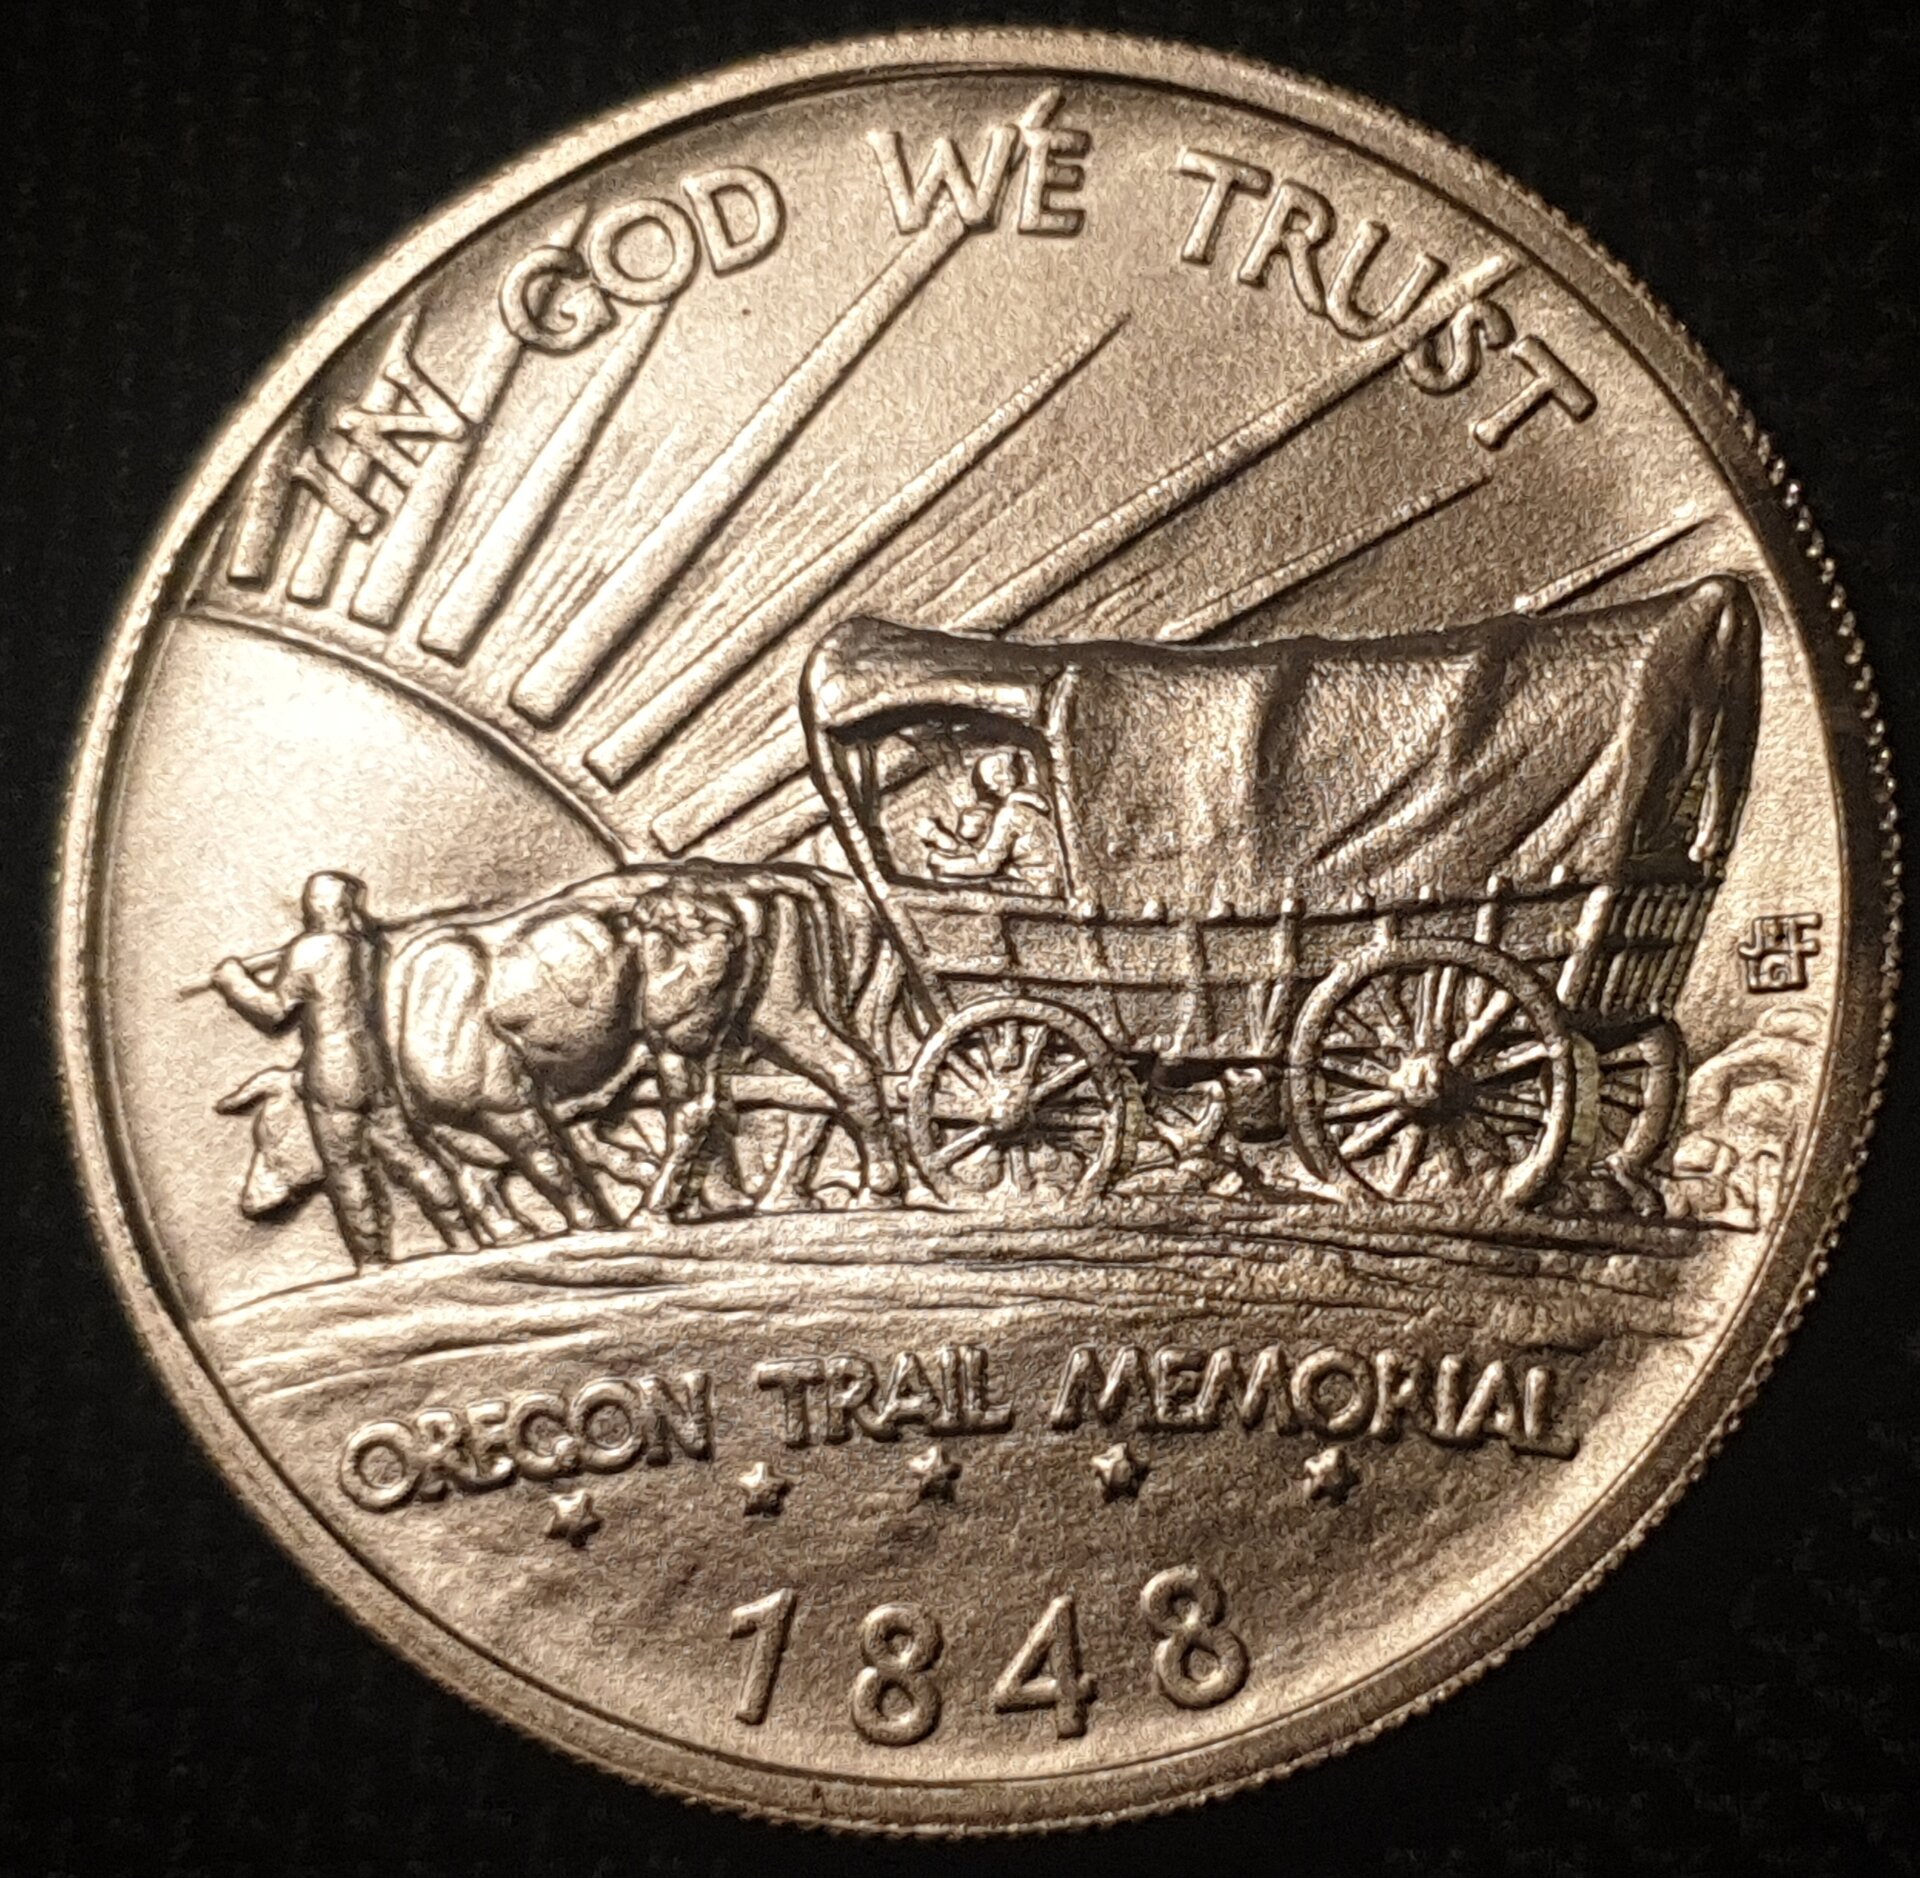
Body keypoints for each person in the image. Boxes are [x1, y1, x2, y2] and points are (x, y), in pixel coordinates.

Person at [213, 871, 475, 1269]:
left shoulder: (310, 949)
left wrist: (233, 981)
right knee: (411, 1157)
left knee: (348, 1170)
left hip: (332, 1073)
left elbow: (275, 1012)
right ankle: (463, 1238)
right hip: (374, 1071)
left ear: (317, 906)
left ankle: (372, 1261)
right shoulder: (369, 947)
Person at [924, 750, 1062, 895]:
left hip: (1037, 886)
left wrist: (944, 863)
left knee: (961, 889)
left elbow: (987, 864)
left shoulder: (1011, 813)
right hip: (1044, 879)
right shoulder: (1030, 805)